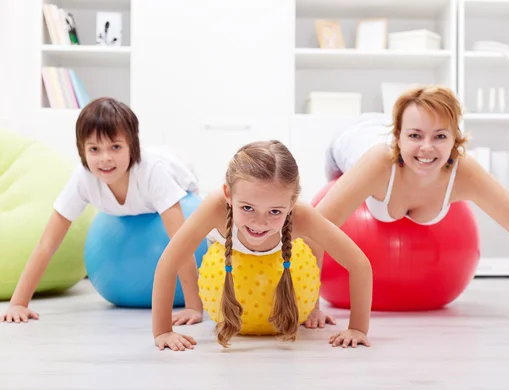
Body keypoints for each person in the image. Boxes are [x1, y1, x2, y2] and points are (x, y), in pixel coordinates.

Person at [316, 84, 509, 330]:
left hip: (393, 132)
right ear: (397, 137)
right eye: (415, 136)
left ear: (455, 140)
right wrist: (312, 307)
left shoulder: (464, 173)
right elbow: (316, 228)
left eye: (440, 136)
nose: (427, 147)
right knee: (333, 202)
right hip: (353, 137)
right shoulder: (379, 162)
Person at [151, 140, 372, 350]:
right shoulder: (216, 207)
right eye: (247, 208)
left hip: (289, 253)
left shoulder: (301, 216)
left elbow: (359, 265)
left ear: (292, 203)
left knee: (313, 240)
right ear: (228, 194)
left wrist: (357, 328)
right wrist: (163, 331)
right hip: (227, 254)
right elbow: (169, 263)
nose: (259, 222)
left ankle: (314, 307)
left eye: (275, 211)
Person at [1, 97, 204, 325]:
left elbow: (182, 244)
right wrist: (18, 303)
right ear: (82, 152)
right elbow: (47, 244)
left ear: (131, 146)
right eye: (94, 149)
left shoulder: (153, 173)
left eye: (115, 147)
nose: (105, 158)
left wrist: (193, 307)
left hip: (179, 174)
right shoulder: (83, 178)